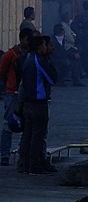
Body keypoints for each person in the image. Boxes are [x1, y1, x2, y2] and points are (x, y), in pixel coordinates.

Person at [17, 34, 58, 174]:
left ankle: (24, 163)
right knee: (38, 136)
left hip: (28, 102)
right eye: (45, 45)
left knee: (27, 134)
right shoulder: (38, 60)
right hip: (38, 102)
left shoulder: (28, 60)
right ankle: (35, 165)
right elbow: (52, 78)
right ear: (40, 46)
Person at [0, 28, 35, 166]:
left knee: (27, 125)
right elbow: (1, 72)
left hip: (26, 95)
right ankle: (4, 154)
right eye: (28, 39)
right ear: (22, 39)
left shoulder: (31, 55)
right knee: (9, 124)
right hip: (13, 94)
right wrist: (8, 88)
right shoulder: (10, 54)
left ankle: (22, 154)